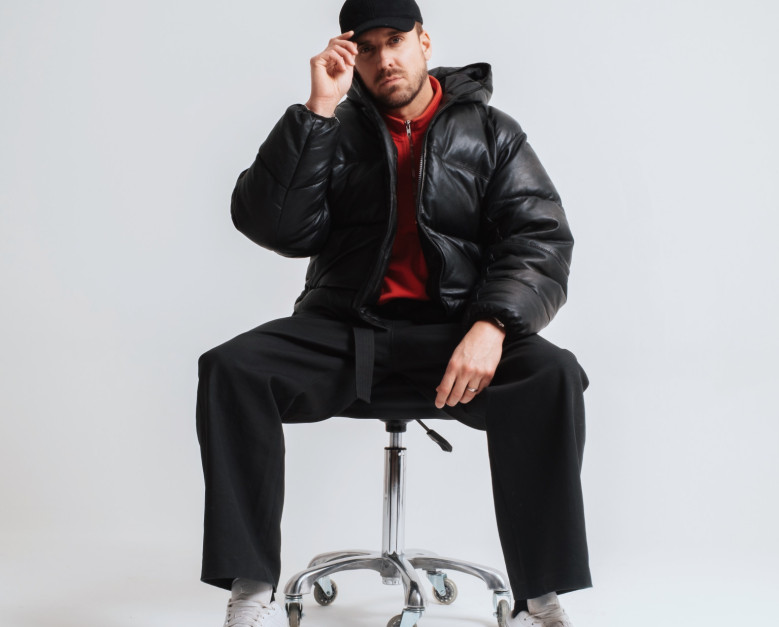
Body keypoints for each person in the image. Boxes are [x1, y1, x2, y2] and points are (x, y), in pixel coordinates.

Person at [196, 1, 591, 625]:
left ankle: (540, 595)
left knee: (551, 374)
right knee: (232, 369)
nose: (384, 59)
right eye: (368, 48)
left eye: (396, 41)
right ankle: (250, 589)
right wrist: (316, 110)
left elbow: (540, 240)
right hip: (346, 332)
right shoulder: (331, 127)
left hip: (453, 339)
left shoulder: (492, 133)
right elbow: (275, 226)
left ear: (424, 42)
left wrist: (493, 325)